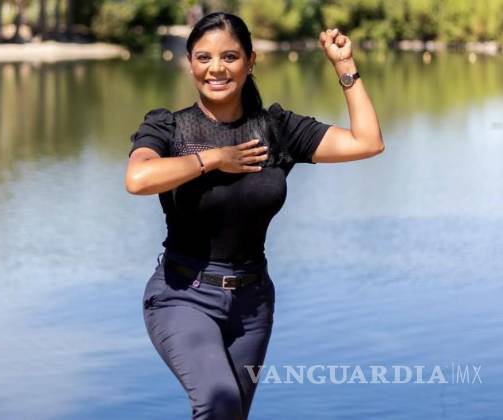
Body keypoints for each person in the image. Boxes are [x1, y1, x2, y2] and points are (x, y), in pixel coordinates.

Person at [125, 12, 384, 420]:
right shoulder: (169, 128)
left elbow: (367, 142)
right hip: (183, 294)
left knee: (231, 414)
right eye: (204, 57)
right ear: (190, 63)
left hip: (252, 304)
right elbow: (138, 178)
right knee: (219, 402)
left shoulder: (276, 129)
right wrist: (214, 159)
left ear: (250, 61)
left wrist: (345, 66)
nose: (216, 68)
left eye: (229, 57)